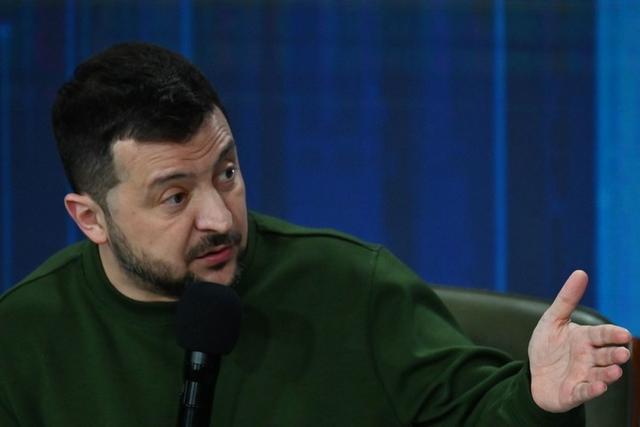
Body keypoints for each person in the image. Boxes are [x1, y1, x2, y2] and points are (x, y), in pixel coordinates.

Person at [0, 42, 631, 426]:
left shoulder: (353, 286)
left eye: (227, 173)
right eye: (175, 197)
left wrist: (534, 400)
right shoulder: (21, 340)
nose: (219, 218)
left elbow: (475, 415)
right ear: (90, 219)